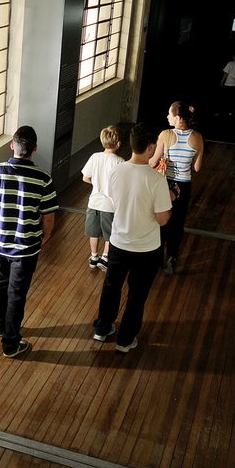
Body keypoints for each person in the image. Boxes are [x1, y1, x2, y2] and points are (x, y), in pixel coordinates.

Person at [0, 126, 58, 358]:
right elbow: (49, 216)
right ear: (34, 149)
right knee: (17, 293)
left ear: (12, 145)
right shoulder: (43, 179)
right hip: (26, 248)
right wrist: (45, 237)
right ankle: (10, 344)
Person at [93, 123, 172, 353]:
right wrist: (171, 200)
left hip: (118, 242)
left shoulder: (117, 171)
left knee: (111, 287)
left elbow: (115, 200)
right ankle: (125, 340)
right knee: (137, 295)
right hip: (146, 248)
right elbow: (162, 219)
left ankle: (102, 328)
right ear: (150, 147)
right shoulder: (156, 180)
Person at [148, 101, 204, 275]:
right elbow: (197, 168)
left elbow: (153, 162)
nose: (167, 117)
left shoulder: (166, 135)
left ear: (178, 117)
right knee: (177, 222)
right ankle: (172, 257)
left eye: (169, 114)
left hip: (165, 183)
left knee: (161, 220)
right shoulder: (198, 138)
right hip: (184, 185)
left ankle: (157, 258)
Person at [81, 125, 124, 272]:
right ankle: (105, 257)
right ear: (118, 144)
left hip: (94, 202)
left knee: (93, 232)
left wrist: (97, 183)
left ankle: (94, 257)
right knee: (109, 233)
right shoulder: (120, 162)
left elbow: (85, 177)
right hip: (110, 205)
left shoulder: (95, 157)